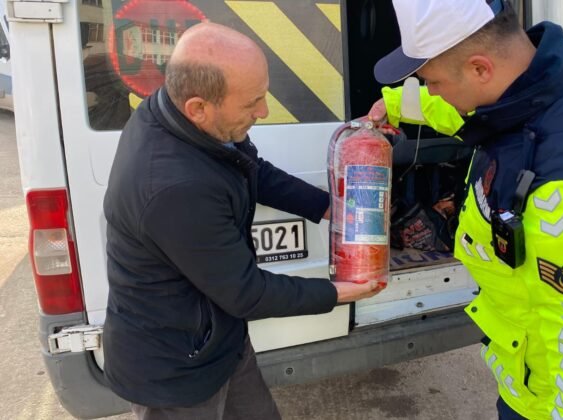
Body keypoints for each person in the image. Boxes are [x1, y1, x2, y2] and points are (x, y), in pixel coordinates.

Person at [370, 0, 563, 419]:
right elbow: (464, 111)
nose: (430, 92)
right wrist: (394, 105)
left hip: (551, 394)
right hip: (526, 365)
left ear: (481, 68)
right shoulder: (546, 85)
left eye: (431, 81)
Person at [103, 22, 381, 420]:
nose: (263, 112)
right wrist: (340, 292)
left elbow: (253, 170)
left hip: (220, 340)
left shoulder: (181, 116)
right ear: (198, 107)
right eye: (253, 103)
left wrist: (331, 208)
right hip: (174, 372)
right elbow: (247, 293)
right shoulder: (173, 187)